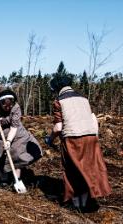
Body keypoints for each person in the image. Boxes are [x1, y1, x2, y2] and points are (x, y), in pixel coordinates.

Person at [45, 74, 111, 212]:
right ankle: (86, 202)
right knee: (87, 169)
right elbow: (91, 118)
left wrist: (49, 139)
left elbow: (58, 128)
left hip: (73, 139)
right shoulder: (83, 98)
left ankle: (76, 204)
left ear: (57, 88)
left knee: (72, 171)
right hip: (91, 137)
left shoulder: (59, 101)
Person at [0, 89, 43, 184]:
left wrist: (8, 141)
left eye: (10, 106)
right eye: (5, 106)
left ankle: (17, 179)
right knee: (1, 157)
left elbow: (14, 126)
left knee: (18, 154)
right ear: (0, 103)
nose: (8, 108)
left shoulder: (16, 107)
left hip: (15, 132)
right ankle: (3, 181)